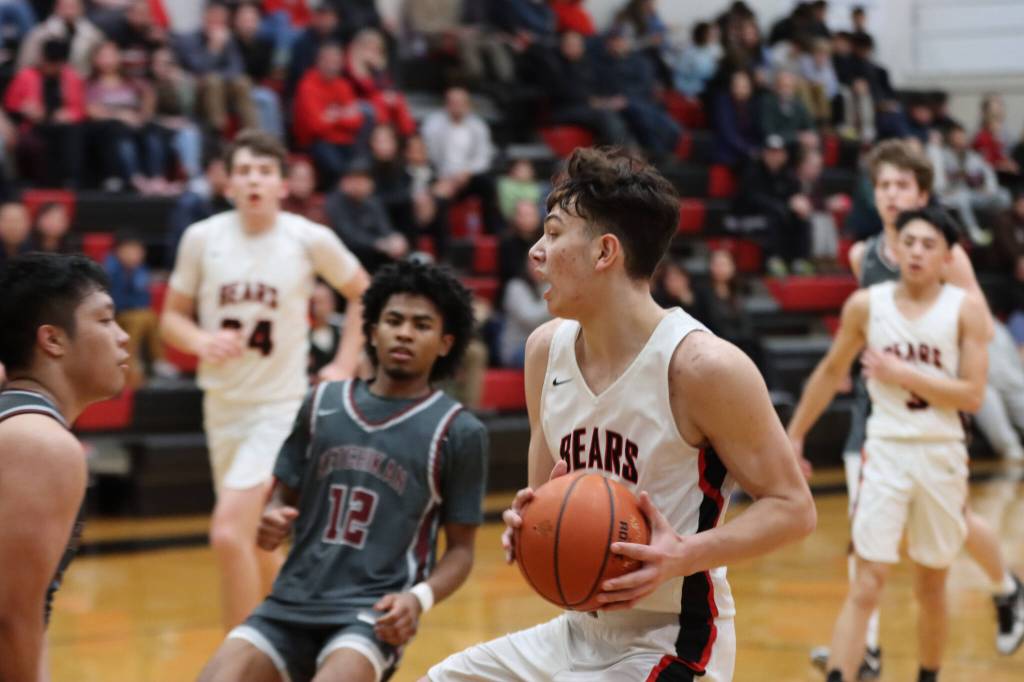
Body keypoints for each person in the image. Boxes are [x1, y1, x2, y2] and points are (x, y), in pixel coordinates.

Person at [423, 147, 816, 681]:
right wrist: (531, 525)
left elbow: (794, 508)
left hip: (674, 637)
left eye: (555, 233)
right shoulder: (544, 351)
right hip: (576, 630)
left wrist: (682, 554)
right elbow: (543, 500)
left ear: (605, 252)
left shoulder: (702, 366)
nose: (537, 252)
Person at [793, 139, 1024, 675]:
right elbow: (853, 344)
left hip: (938, 414)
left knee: (950, 538)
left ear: (922, 192)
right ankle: (865, 649)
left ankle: (1007, 587)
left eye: (904, 185)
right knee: (866, 549)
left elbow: (980, 334)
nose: (893, 194)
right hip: (877, 419)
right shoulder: (863, 258)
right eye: (885, 185)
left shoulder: (948, 257)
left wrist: (916, 356)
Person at [197, 260, 488, 682]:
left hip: (371, 614)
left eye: (421, 325)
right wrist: (272, 514)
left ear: (446, 343)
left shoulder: (459, 432)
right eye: (393, 320)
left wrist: (417, 599)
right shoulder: (320, 403)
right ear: (371, 331)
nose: (404, 332)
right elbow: (283, 495)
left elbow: (461, 550)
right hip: (289, 602)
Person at [160, 129, 371, 631]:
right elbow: (172, 317)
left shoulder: (307, 237)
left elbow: (364, 293)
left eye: (264, 171)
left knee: (229, 534)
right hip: (222, 406)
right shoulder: (202, 238)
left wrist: (343, 363)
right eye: (244, 171)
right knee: (256, 537)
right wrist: (199, 341)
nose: (254, 179)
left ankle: (242, 659)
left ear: (282, 183)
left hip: (280, 408)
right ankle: (291, 636)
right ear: (227, 183)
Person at [0, 252, 129, 681]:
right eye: (106, 320)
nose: (124, 337)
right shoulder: (41, 444)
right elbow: (8, 621)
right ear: (52, 340)